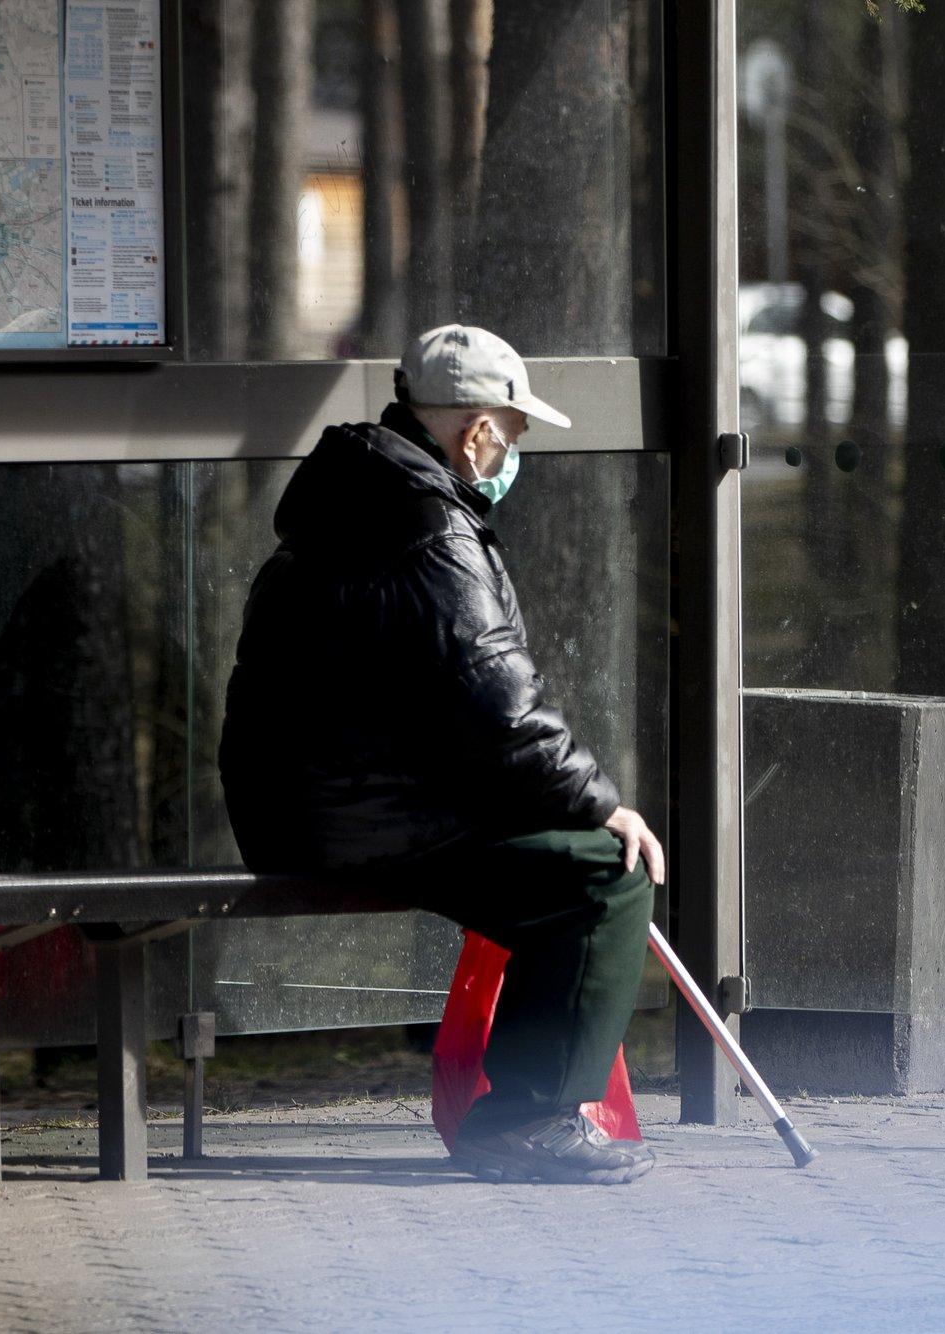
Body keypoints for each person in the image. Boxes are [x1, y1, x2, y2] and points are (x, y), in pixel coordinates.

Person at [220, 324, 664, 1185]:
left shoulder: (355, 501)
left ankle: (530, 1108)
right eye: (515, 431)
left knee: (568, 867)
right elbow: (499, 709)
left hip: (317, 806)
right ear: (476, 432)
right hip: (361, 817)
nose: (515, 451)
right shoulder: (430, 527)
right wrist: (601, 802)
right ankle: (526, 1121)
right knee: (604, 877)